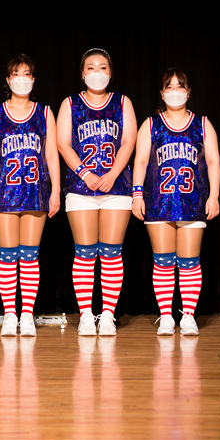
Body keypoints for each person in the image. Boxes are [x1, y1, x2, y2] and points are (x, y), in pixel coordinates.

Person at [132, 69, 220, 336]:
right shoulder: (151, 124)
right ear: (162, 93)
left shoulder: (202, 124)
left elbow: (213, 161)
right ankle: (167, 316)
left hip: (193, 201)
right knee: (163, 261)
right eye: (169, 87)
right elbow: (140, 161)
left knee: (190, 261)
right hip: (158, 201)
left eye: (180, 86)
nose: (175, 91)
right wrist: (137, 194)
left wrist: (214, 195)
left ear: (188, 92)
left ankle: (189, 315)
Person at [56, 48, 137, 336]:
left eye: (103, 67)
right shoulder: (70, 103)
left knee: (112, 253)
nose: (97, 72)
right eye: (90, 67)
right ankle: (87, 315)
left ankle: (108, 315)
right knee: (85, 252)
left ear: (110, 73)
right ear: (82, 73)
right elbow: (63, 143)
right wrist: (85, 174)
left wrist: (112, 174)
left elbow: (128, 141)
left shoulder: (122, 102)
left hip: (117, 187)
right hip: (80, 187)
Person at [0, 55, 60, 337]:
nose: (21, 78)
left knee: (29, 255)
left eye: (27, 73)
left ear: (34, 79)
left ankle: (26, 315)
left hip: (36, 191)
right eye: (16, 74)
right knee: (7, 255)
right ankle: (9, 314)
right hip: (4, 191)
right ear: (7, 79)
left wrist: (56, 190)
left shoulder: (44, 112)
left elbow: (51, 155)